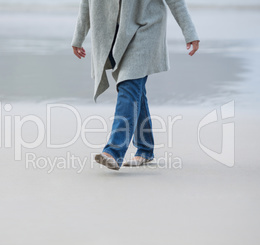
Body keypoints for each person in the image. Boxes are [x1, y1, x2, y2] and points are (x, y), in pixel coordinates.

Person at [71, 0, 200, 170]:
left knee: (129, 84)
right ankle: (145, 150)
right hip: (116, 33)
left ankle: (114, 151)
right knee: (135, 89)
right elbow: (87, 3)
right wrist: (78, 37)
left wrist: (190, 32)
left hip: (146, 27)